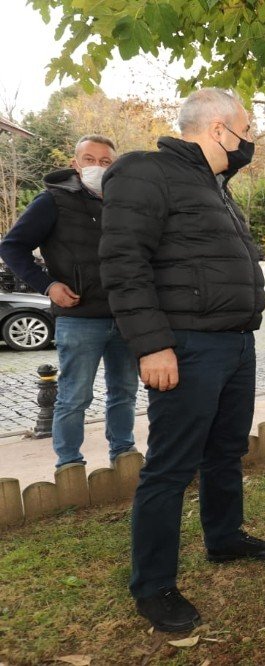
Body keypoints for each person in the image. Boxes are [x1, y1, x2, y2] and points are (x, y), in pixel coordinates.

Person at [100, 88, 265, 633]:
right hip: (186, 345)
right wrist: (152, 344)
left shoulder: (213, 186)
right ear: (218, 129)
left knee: (225, 451)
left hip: (235, 343)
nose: (250, 141)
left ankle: (224, 538)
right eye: (246, 130)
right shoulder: (147, 173)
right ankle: (153, 585)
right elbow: (123, 263)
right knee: (171, 467)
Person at [0, 135, 139, 469]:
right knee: (75, 395)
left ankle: (124, 454)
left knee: (125, 392)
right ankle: (69, 463)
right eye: (90, 159)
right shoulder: (52, 201)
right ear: (75, 164)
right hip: (79, 317)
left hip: (126, 315)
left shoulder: (126, 203)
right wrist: (48, 285)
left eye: (105, 161)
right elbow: (12, 247)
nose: (97, 166)